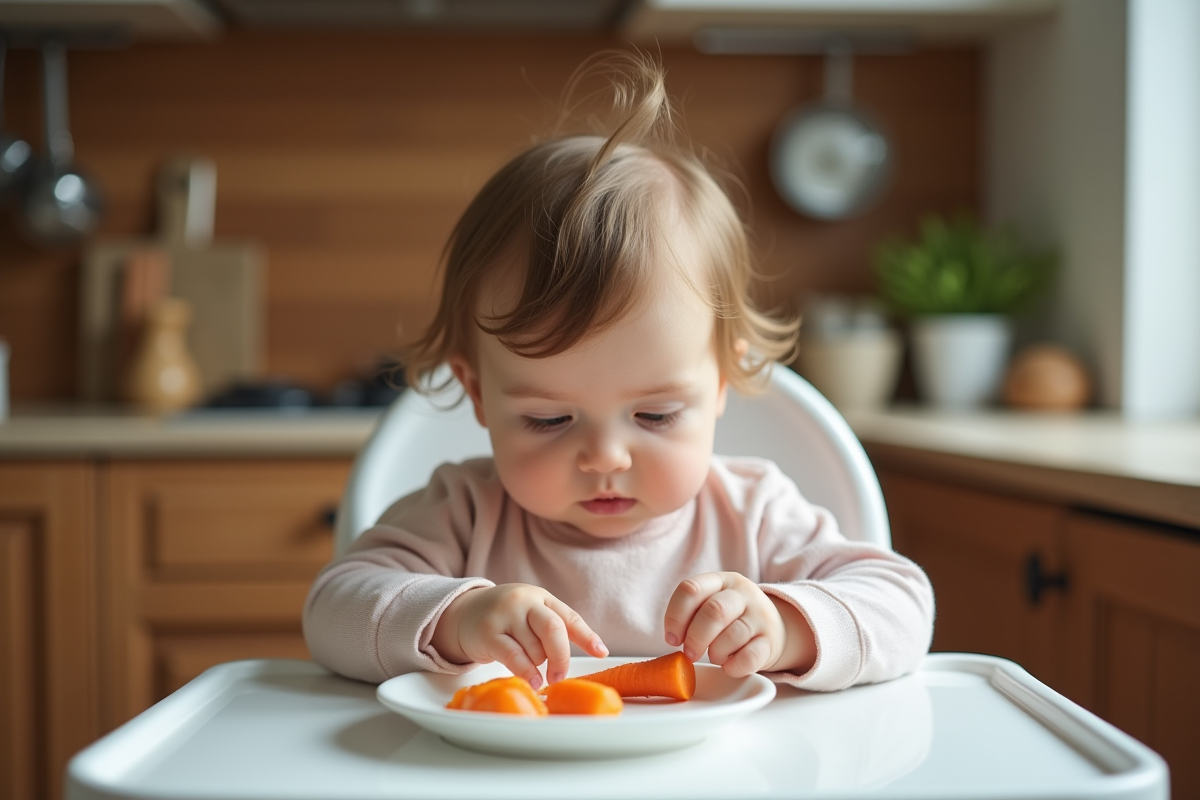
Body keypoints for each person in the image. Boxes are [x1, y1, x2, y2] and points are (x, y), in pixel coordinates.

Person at [303, 52, 933, 693]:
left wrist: (788, 624)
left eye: (655, 414)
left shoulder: (753, 514)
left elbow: (902, 604)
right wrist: (455, 618)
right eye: (548, 419)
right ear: (478, 395)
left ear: (720, 384)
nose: (604, 458)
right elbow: (334, 609)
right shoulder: (463, 514)